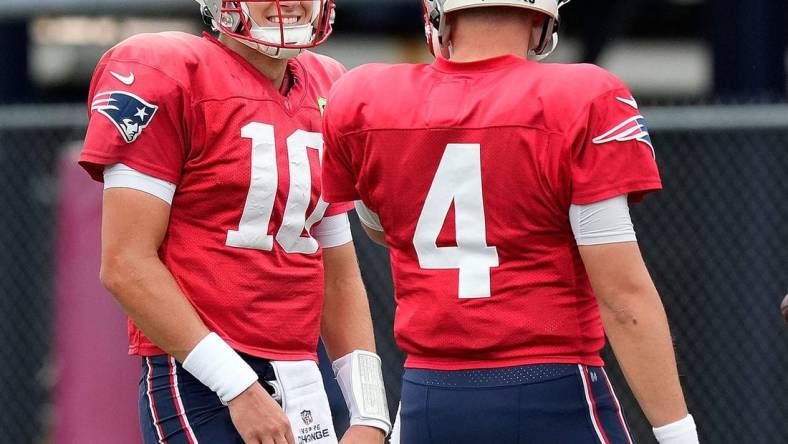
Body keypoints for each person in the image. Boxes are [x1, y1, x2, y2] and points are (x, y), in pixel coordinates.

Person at [320, 0, 700, 443]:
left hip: (429, 400)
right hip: (552, 394)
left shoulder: (365, 97)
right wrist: (678, 433)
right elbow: (623, 298)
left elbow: (380, 229)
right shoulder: (583, 97)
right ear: (542, 16)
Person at [78, 1, 390, 443]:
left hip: (303, 373)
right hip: (201, 376)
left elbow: (337, 274)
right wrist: (237, 387)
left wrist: (369, 412)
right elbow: (126, 264)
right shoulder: (168, 72)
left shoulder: (330, 85)